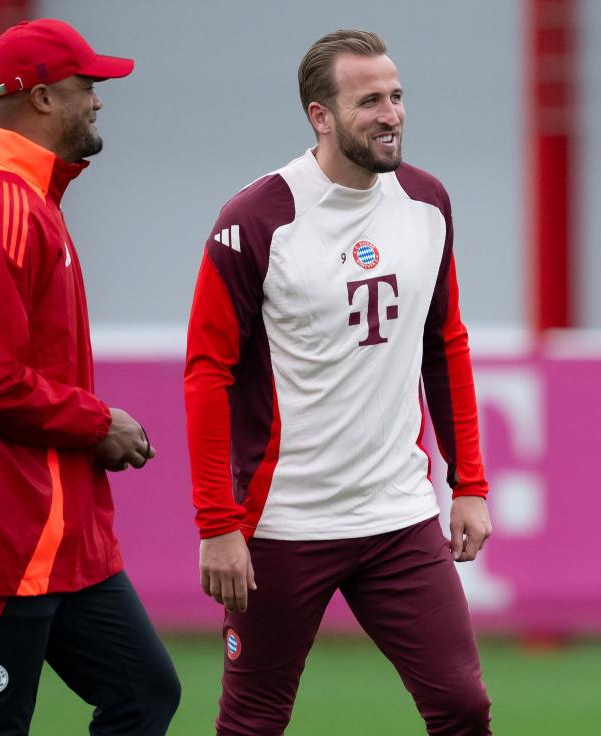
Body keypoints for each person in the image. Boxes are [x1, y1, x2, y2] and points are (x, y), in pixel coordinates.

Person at [184, 29, 493, 735]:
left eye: (396, 96)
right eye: (369, 102)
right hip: (285, 523)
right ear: (320, 116)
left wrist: (468, 483)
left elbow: (444, 345)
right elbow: (207, 374)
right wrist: (218, 524)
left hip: (397, 517)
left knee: (463, 705)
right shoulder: (257, 219)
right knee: (253, 720)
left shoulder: (428, 202)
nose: (391, 114)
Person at [0, 18, 180, 736]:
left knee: (144, 695)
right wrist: (96, 422)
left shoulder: (26, 201)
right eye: (88, 86)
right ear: (43, 98)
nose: (99, 100)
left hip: (50, 534)